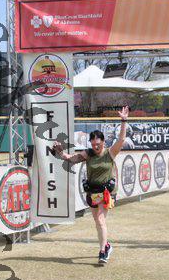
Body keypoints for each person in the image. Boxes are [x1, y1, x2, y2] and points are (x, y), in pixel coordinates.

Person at [53, 106, 129, 264]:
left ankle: (102, 252)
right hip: (92, 191)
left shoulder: (110, 152)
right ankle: (106, 245)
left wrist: (123, 121)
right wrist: (60, 152)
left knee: (100, 220)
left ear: (103, 142)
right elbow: (71, 159)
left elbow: (121, 140)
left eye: (98, 144)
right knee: (97, 221)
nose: (95, 147)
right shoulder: (88, 154)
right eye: (93, 144)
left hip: (107, 192)